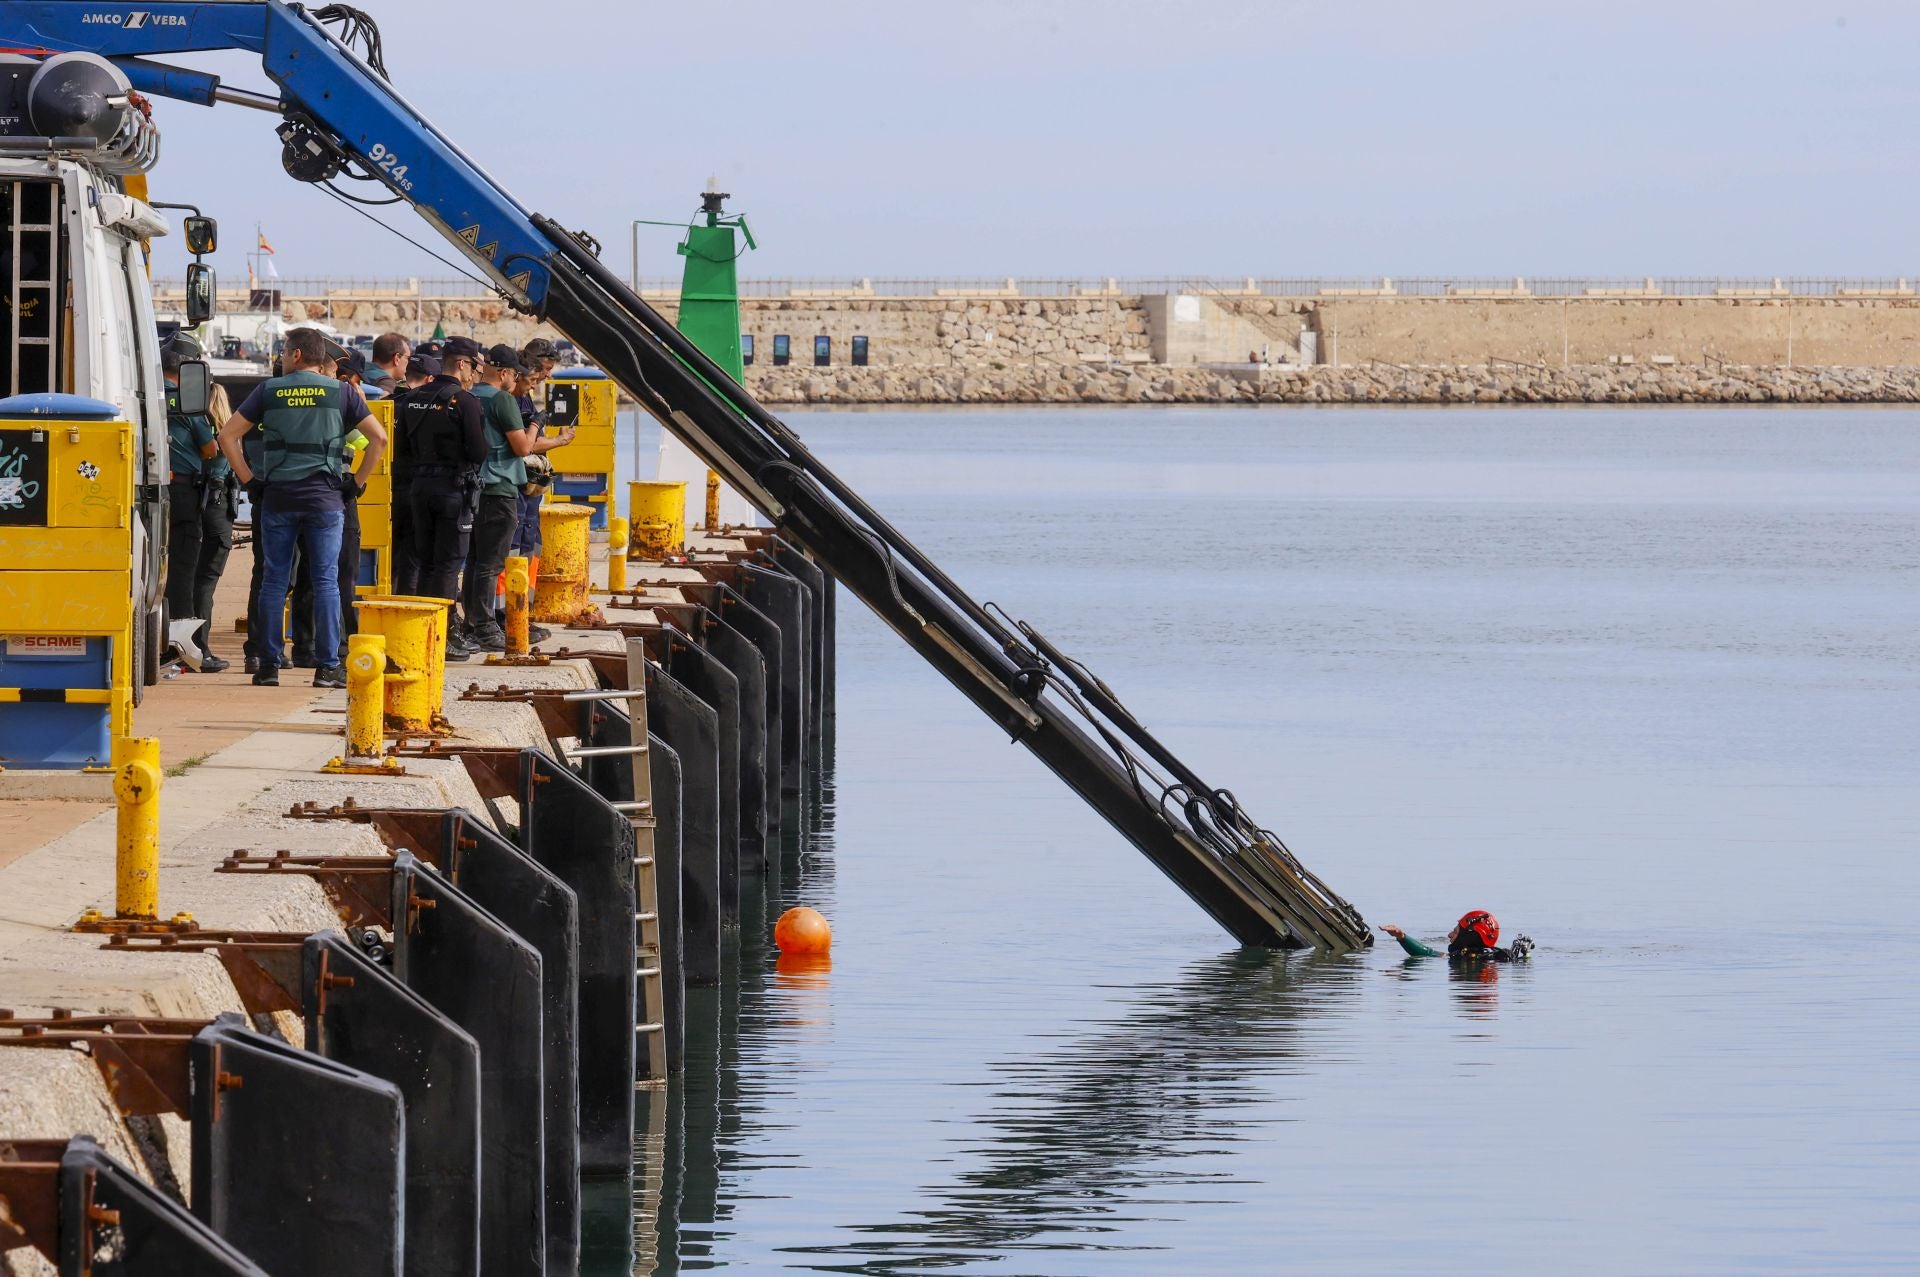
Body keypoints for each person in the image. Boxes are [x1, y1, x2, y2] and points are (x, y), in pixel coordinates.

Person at [218, 326, 386, 689]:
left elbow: (228, 436)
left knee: (274, 581)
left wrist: (249, 480)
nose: (280, 359)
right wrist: (356, 482)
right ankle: (327, 667)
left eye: (282, 353)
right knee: (326, 580)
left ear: (296, 355)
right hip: (326, 500)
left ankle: (268, 665)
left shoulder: (267, 391)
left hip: (278, 499)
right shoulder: (342, 392)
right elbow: (379, 438)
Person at [465, 343, 572, 650]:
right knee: (492, 562)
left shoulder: (469, 397)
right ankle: (486, 626)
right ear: (506, 373)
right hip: (500, 487)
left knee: (474, 560)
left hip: (474, 488)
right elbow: (523, 447)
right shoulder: (502, 400)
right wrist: (538, 423)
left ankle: (474, 623)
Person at [404, 336, 489, 660]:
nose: (475, 375)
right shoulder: (465, 401)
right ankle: (441, 636)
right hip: (453, 489)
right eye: (475, 368)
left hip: (419, 487)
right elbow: (479, 451)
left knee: (425, 563)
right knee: (448, 564)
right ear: (463, 364)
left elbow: (405, 449)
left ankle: (422, 632)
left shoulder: (412, 398)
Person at [161, 334, 233, 673]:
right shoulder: (187, 402)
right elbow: (210, 449)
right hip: (185, 492)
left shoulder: (145, 396)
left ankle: (160, 643)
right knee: (184, 572)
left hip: (149, 490)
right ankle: (185, 649)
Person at [1381, 912, 1533, 963]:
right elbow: (1428, 952)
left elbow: (1427, 953)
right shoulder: (1488, 955)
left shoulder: (1465, 958)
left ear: (1470, 934)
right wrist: (1401, 936)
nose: (1449, 935)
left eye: (1455, 931)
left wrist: (1401, 937)